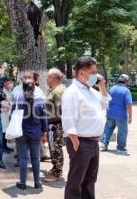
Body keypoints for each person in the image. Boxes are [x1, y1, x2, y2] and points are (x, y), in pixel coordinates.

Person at [62, 56, 111, 199]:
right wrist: (76, 143)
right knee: (76, 181)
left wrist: (102, 87)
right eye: (93, 72)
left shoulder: (91, 91)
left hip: (93, 141)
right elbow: (68, 120)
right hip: (81, 141)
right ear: (82, 73)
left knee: (90, 180)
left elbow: (105, 103)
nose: (97, 75)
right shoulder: (72, 92)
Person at [13, 78, 47, 190]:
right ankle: (37, 183)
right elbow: (44, 119)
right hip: (36, 133)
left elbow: (12, 114)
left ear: (22, 87)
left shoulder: (18, 99)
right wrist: (44, 131)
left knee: (23, 158)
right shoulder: (40, 101)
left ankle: (23, 183)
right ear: (34, 88)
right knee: (35, 158)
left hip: (21, 132)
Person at [12, 71, 45, 167]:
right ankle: (20, 159)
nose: (27, 78)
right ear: (21, 79)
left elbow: (42, 106)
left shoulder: (38, 90)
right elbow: (12, 101)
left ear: (33, 79)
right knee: (20, 146)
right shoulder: (16, 90)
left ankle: (33, 164)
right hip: (20, 123)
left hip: (34, 123)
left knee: (35, 149)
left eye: (29, 77)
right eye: (25, 77)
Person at [101, 74, 133, 153]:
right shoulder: (126, 91)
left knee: (108, 129)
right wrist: (130, 117)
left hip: (110, 113)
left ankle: (104, 144)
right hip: (121, 115)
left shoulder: (112, 89)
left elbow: (107, 100)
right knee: (122, 131)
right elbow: (129, 105)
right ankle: (120, 148)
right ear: (126, 81)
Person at [44, 68, 66, 182]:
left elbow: (62, 109)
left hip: (56, 125)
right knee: (53, 148)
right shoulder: (55, 89)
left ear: (52, 78)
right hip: (53, 124)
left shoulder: (58, 91)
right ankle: (55, 168)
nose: (46, 79)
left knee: (56, 149)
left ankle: (57, 173)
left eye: (48, 77)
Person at [0, 76, 14, 153]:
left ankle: (5, 146)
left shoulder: (9, 90)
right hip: (2, 113)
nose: (10, 83)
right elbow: (2, 102)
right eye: (9, 82)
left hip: (8, 113)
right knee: (3, 130)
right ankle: (2, 147)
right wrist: (8, 104)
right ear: (4, 83)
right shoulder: (2, 91)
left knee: (6, 130)